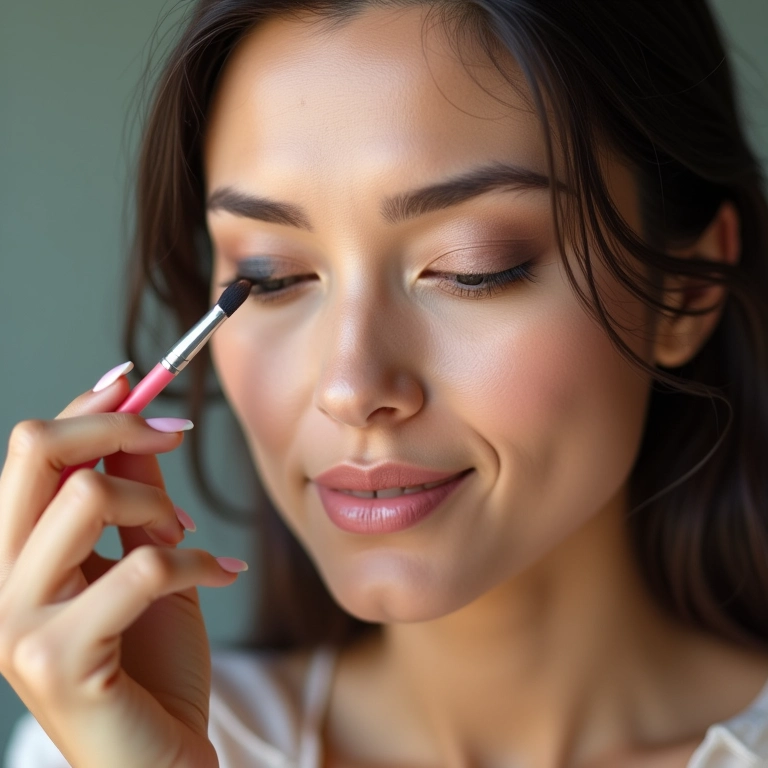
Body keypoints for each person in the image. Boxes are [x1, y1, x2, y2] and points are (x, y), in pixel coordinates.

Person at [3, 1, 768, 766]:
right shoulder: (103, 738)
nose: (351, 386)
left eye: (473, 267)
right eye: (271, 277)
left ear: (686, 291)